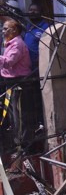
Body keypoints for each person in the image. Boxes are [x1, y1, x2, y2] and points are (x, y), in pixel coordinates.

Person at [0, 19, 33, 158]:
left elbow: (8, 63)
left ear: (14, 31)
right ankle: (17, 143)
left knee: (20, 116)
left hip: (19, 83)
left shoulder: (17, 44)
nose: (3, 31)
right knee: (13, 115)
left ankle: (23, 146)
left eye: (5, 29)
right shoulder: (9, 43)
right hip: (9, 82)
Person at [24, 3, 49, 72]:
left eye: (35, 10)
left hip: (39, 66)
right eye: (30, 10)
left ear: (41, 13)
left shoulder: (46, 27)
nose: (32, 12)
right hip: (28, 66)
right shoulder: (28, 26)